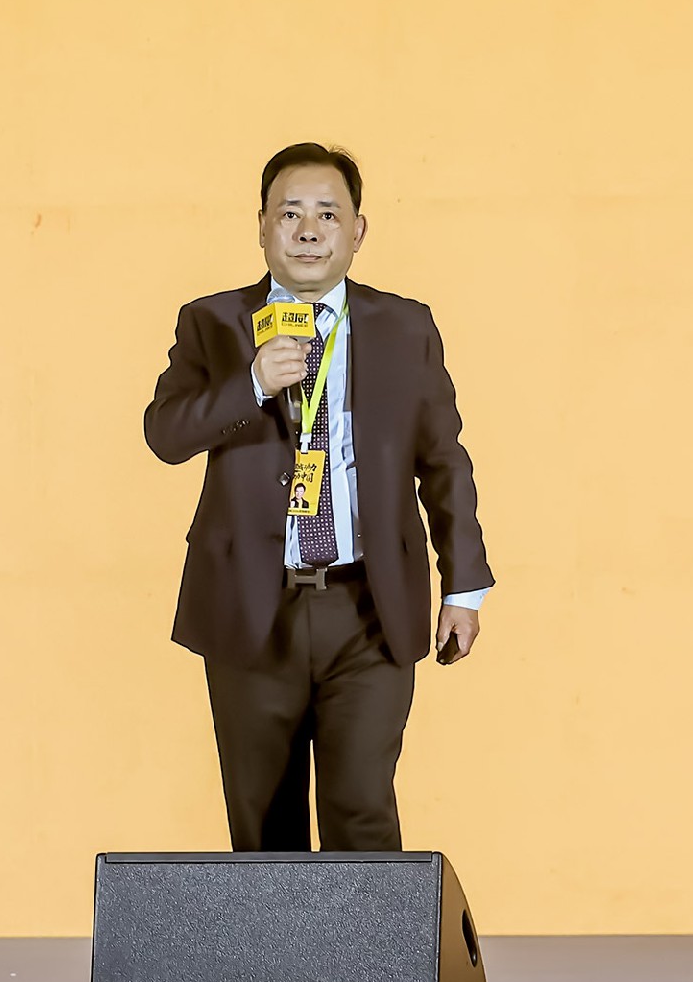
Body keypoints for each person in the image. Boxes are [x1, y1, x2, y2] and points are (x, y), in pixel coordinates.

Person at [143, 142, 494, 852]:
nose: (309, 231)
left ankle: (369, 936)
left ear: (357, 231)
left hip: (368, 606)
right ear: (262, 227)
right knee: (264, 830)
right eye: (290, 213)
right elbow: (165, 434)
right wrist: (249, 384)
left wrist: (464, 587)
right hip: (251, 605)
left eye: (328, 215)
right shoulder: (211, 322)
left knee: (361, 809)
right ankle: (276, 935)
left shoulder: (406, 327)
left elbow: (443, 461)